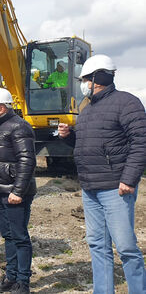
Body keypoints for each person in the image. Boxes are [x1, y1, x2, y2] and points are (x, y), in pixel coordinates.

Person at [58, 54, 146, 294]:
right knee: (97, 245)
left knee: (126, 247)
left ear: (99, 77)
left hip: (115, 188)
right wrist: (69, 137)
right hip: (90, 188)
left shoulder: (127, 103)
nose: (83, 84)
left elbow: (141, 142)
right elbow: (91, 144)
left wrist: (129, 179)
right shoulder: (87, 110)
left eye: (85, 79)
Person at [0, 88, 36, 294]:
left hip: (15, 193)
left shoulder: (19, 127)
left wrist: (18, 191)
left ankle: (23, 282)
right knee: (8, 236)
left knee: (20, 236)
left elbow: (27, 161)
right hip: (2, 191)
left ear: (2, 108)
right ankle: (10, 277)